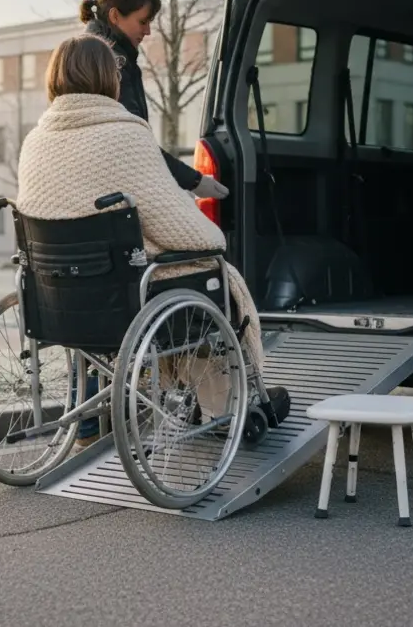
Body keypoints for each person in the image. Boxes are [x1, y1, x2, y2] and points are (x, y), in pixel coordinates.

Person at [17, 33, 287, 451]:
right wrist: (213, 238)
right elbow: (178, 226)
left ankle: (207, 400)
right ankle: (227, 406)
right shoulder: (126, 134)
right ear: (109, 78)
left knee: (178, 282)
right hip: (125, 298)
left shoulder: (35, 141)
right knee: (211, 272)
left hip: (56, 300)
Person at [80, 0, 230, 202]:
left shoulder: (84, 57)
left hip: (97, 190)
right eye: (143, 21)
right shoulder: (112, 63)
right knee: (205, 237)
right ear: (114, 16)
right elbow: (134, 142)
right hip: (115, 196)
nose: (148, 31)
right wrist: (195, 181)